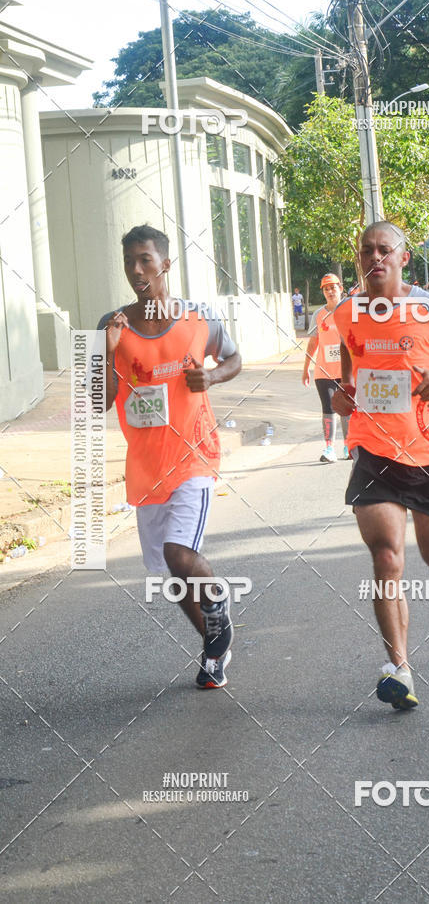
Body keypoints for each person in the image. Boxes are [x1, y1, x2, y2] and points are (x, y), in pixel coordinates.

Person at [332, 221, 429, 710]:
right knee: (385, 557)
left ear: (403, 258)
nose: (374, 258)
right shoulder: (346, 311)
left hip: (427, 452)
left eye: (384, 250)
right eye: (366, 252)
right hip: (372, 450)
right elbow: (348, 357)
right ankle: (398, 667)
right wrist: (344, 390)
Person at [99, 225, 242, 689]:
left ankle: (217, 598)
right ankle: (214, 649)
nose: (137, 270)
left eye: (145, 259)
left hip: (194, 455)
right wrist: (108, 351)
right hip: (145, 468)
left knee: (181, 555)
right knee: (169, 574)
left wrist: (214, 377)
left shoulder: (199, 317)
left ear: (165, 264)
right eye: (130, 262)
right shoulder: (111, 324)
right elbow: (97, 400)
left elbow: (234, 358)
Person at [302, 273, 350, 462]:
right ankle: (329, 449)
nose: (330, 291)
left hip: (347, 371)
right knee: (328, 407)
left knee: (346, 409)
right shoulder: (319, 314)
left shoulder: (349, 311)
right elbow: (313, 344)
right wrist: (305, 367)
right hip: (324, 371)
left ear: (340, 288)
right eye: (326, 289)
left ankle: (348, 447)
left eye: (333, 287)